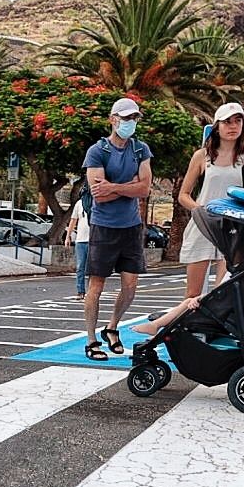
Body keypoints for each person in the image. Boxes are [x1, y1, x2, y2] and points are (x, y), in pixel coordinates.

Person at [80, 97, 154, 361]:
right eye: (125, 118)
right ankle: (91, 340)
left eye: (134, 118)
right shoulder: (97, 151)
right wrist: (128, 187)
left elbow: (145, 189)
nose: (130, 123)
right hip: (104, 227)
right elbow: (98, 194)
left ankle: (111, 327)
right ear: (113, 120)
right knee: (96, 286)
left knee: (131, 285)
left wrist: (114, 186)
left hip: (131, 227)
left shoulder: (140, 150)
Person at [177, 101, 244, 301]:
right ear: (217, 127)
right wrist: (201, 210)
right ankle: (191, 329)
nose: (233, 126)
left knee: (225, 290)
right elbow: (183, 194)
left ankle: (216, 330)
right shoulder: (201, 156)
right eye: (227, 122)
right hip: (203, 225)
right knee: (192, 294)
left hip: (234, 228)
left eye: (237, 121)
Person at [66, 187, 92, 299]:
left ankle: (92, 292)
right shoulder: (79, 204)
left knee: (92, 268)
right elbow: (73, 220)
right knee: (80, 267)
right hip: (80, 240)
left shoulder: (96, 202)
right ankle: (80, 291)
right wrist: (68, 236)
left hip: (94, 240)